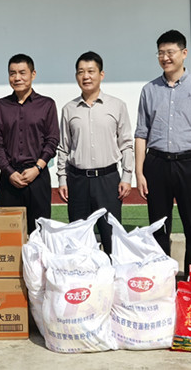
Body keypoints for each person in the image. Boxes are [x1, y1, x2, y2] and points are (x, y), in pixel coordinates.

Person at [135, 29, 191, 276]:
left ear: (184, 53)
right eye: (161, 53)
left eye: (170, 52)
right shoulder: (149, 90)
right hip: (156, 163)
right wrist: (139, 172)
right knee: (158, 227)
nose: (165, 58)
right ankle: (161, 278)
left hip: (190, 163)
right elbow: (141, 133)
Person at [56, 51, 134, 254]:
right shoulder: (69, 109)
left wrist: (127, 177)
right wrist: (62, 179)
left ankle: (113, 272)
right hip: (78, 181)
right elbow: (63, 147)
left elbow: (126, 144)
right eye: (81, 72)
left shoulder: (117, 106)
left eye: (91, 71)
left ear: (101, 74)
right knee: (79, 240)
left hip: (108, 180)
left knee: (111, 237)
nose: (86, 76)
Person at [0, 54, 59, 233]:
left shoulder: (47, 105)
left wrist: (37, 168)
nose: (17, 78)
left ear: (33, 74)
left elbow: (52, 141)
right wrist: (9, 172)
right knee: (9, 235)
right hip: (9, 179)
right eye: (12, 73)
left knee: (39, 233)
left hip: (38, 176)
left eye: (22, 72)